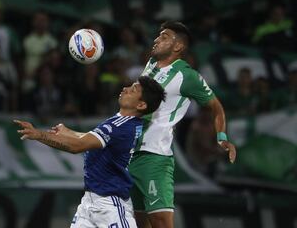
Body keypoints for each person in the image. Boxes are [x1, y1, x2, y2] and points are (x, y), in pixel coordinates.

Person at [14, 76, 166, 228]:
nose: (125, 89)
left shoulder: (120, 126)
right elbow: (94, 140)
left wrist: (39, 135)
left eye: (133, 90)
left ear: (141, 104)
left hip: (110, 206)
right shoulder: (124, 123)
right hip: (89, 204)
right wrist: (70, 132)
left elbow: (78, 146)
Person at [128, 21, 237, 228]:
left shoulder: (188, 76)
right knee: (138, 223)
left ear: (178, 47)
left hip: (155, 158)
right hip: (131, 155)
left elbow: (216, 108)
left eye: (164, 37)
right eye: (158, 35)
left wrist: (222, 138)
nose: (157, 39)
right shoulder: (151, 64)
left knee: (161, 224)